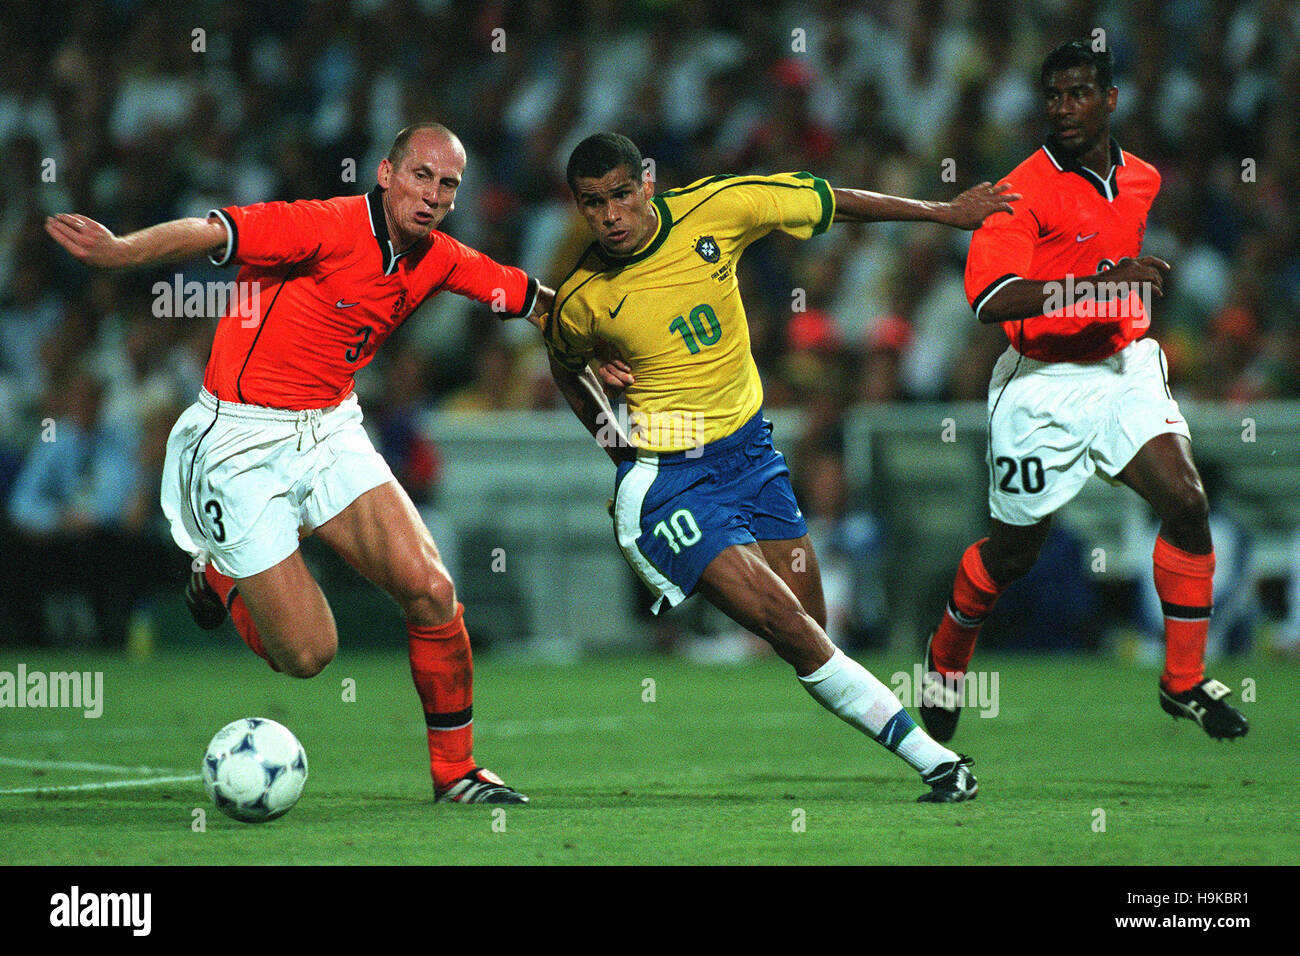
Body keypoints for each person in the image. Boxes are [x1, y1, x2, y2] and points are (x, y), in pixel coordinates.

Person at [45, 123, 557, 803]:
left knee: (432, 590)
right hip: (238, 443)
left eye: (448, 184)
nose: (432, 194)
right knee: (309, 656)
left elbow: (529, 298)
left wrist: (600, 343)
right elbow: (207, 231)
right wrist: (120, 251)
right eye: (420, 175)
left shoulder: (437, 256)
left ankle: (455, 773)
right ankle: (220, 575)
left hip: (330, 429)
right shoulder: (322, 225)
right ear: (385, 173)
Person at [541, 131, 1017, 802]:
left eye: (620, 195)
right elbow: (564, 365)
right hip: (671, 480)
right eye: (593, 204)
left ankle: (899, 733)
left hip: (753, 457)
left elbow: (831, 201)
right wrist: (615, 445)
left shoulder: (718, 207)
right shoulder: (584, 295)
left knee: (811, 629)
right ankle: (939, 763)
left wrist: (940, 214)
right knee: (784, 623)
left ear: (646, 183)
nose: (610, 215)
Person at [918, 41, 1248, 743]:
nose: (1063, 108)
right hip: (1041, 385)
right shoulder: (1019, 191)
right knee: (1013, 556)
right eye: (1054, 96)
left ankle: (1182, 680)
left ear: (1110, 100)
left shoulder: (1143, 180)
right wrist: (1100, 286)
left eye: (1077, 94)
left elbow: (1109, 258)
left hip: (1122, 365)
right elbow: (992, 299)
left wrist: (1128, 285)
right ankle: (945, 659)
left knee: (1187, 503)